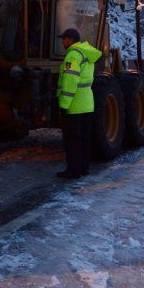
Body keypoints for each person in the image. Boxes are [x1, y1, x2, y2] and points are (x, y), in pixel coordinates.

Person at [56, 28, 102, 179]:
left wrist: (64, 105)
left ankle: (73, 171)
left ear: (70, 40)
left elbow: (70, 82)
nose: (62, 41)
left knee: (72, 140)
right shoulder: (87, 54)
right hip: (87, 103)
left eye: (64, 39)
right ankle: (84, 168)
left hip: (74, 105)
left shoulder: (73, 55)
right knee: (85, 139)